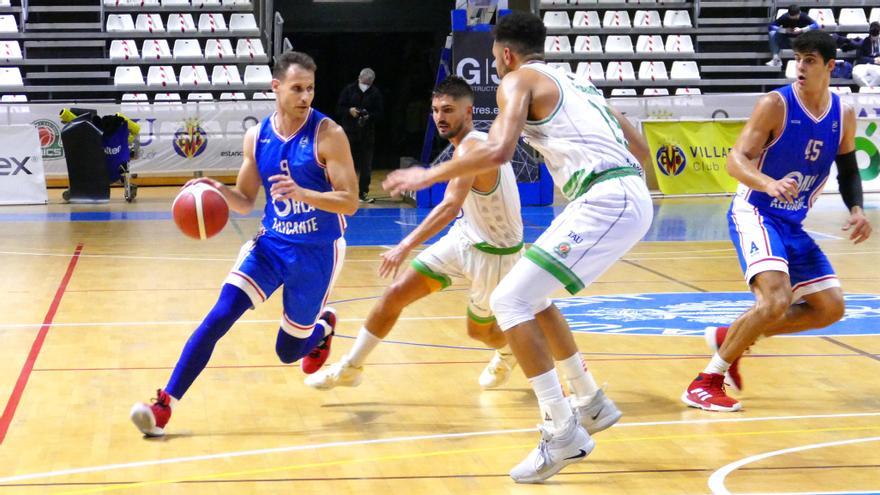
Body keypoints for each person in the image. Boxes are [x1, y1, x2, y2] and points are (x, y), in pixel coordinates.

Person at [383, 11, 654, 484]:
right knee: (534, 297)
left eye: (494, 56)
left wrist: (425, 174)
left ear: (505, 54)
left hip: (605, 196)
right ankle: (590, 401)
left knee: (509, 300)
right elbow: (639, 144)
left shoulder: (517, 80)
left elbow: (499, 150)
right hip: (616, 193)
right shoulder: (575, 81)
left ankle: (562, 431)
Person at [129, 51, 359, 437]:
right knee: (219, 316)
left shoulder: (329, 135)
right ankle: (164, 404)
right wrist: (215, 188)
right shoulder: (258, 136)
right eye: (297, 88)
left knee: (288, 352)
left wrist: (304, 192)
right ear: (276, 87)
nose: (306, 97)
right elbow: (246, 200)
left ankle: (322, 330)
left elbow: (350, 202)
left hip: (317, 252)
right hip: (270, 245)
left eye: (311, 89)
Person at [681, 31, 872, 413]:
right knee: (776, 300)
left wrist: (856, 209)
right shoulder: (775, 104)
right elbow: (736, 160)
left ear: (831, 67)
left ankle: (730, 337)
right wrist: (768, 183)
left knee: (829, 308)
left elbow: (848, 168)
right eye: (798, 58)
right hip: (755, 210)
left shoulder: (843, 113)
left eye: (810, 60)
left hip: (792, 221)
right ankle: (705, 382)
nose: (800, 66)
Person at [305, 76, 522, 392]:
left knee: (480, 332)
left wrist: (405, 245)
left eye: (448, 110)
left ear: (468, 111)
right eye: (435, 110)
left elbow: (449, 206)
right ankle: (350, 368)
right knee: (394, 295)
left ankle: (508, 351)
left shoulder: (473, 148)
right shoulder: (464, 148)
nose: (440, 117)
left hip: (495, 255)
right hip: (464, 237)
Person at [336, 67, 384, 203]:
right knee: (346, 163)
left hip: (367, 134)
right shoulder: (349, 90)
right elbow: (339, 108)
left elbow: (380, 113)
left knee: (366, 165)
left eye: (369, 83)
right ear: (359, 78)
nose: (366, 85)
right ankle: (344, 191)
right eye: (364, 82)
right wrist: (349, 111)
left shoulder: (375, 93)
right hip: (349, 132)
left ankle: (363, 192)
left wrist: (369, 116)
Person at [852, 22, 880, 88]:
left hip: (877, 67)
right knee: (856, 73)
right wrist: (873, 60)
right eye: (873, 36)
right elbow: (859, 58)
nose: (874, 38)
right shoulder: (864, 42)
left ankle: (868, 89)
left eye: (877, 35)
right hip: (864, 65)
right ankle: (868, 88)